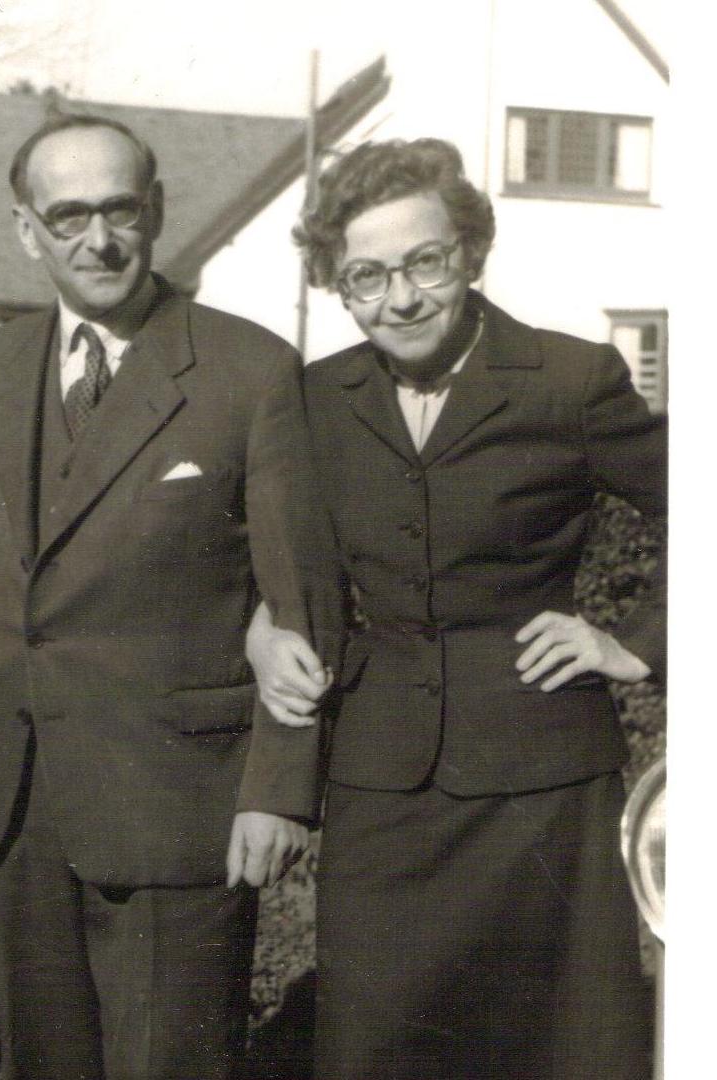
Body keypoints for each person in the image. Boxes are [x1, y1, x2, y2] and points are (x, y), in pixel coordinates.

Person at [0, 111, 343, 1080]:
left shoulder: (250, 370)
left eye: (119, 211)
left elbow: (301, 599)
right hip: (18, 796)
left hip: (178, 805)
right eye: (67, 218)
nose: (97, 240)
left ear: (157, 213)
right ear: (27, 231)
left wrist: (278, 791)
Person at [246, 137, 666, 1079]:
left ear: (470, 253)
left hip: (543, 783)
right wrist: (264, 629)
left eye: (423, 263)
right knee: (377, 1045)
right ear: (337, 287)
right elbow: (271, 554)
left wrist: (635, 646)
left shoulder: (571, 379)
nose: (399, 299)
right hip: (381, 782)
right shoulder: (315, 398)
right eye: (365, 277)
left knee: (557, 1046)